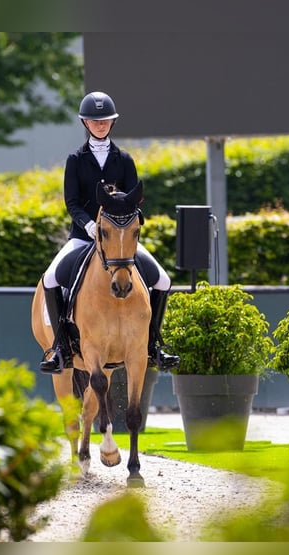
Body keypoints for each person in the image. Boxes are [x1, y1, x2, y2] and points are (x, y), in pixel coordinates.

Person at [39, 90, 180, 374]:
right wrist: (88, 225)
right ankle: (60, 347)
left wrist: (128, 223)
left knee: (163, 280)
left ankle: (154, 345)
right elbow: (72, 202)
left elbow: (133, 200)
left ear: (112, 123)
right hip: (83, 236)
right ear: (85, 123)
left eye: (105, 120)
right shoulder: (75, 160)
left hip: (119, 240)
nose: (100, 125)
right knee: (52, 278)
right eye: (94, 120)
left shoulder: (124, 159)